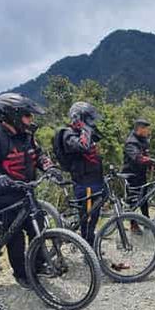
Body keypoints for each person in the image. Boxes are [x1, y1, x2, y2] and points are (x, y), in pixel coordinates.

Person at [0, 93, 62, 288]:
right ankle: (21, 274)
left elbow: (38, 156)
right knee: (15, 239)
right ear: (12, 115)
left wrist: (50, 167)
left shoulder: (27, 136)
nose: (31, 119)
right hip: (5, 198)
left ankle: (38, 265)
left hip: (27, 193)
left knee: (37, 228)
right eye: (27, 116)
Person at [62, 101, 105, 245]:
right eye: (88, 119)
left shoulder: (85, 132)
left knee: (95, 216)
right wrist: (83, 127)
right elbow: (83, 147)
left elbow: (99, 137)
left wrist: (87, 128)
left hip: (95, 179)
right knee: (86, 218)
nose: (91, 122)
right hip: (84, 182)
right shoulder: (69, 134)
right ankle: (87, 248)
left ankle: (90, 244)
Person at [122, 118, 155, 232]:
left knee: (144, 199)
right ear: (139, 129)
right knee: (133, 201)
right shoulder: (131, 142)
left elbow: (146, 155)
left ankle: (146, 220)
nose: (148, 131)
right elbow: (138, 158)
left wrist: (154, 161)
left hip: (141, 174)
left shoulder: (143, 140)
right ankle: (133, 224)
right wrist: (154, 161)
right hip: (131, 175)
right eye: (146, 129)